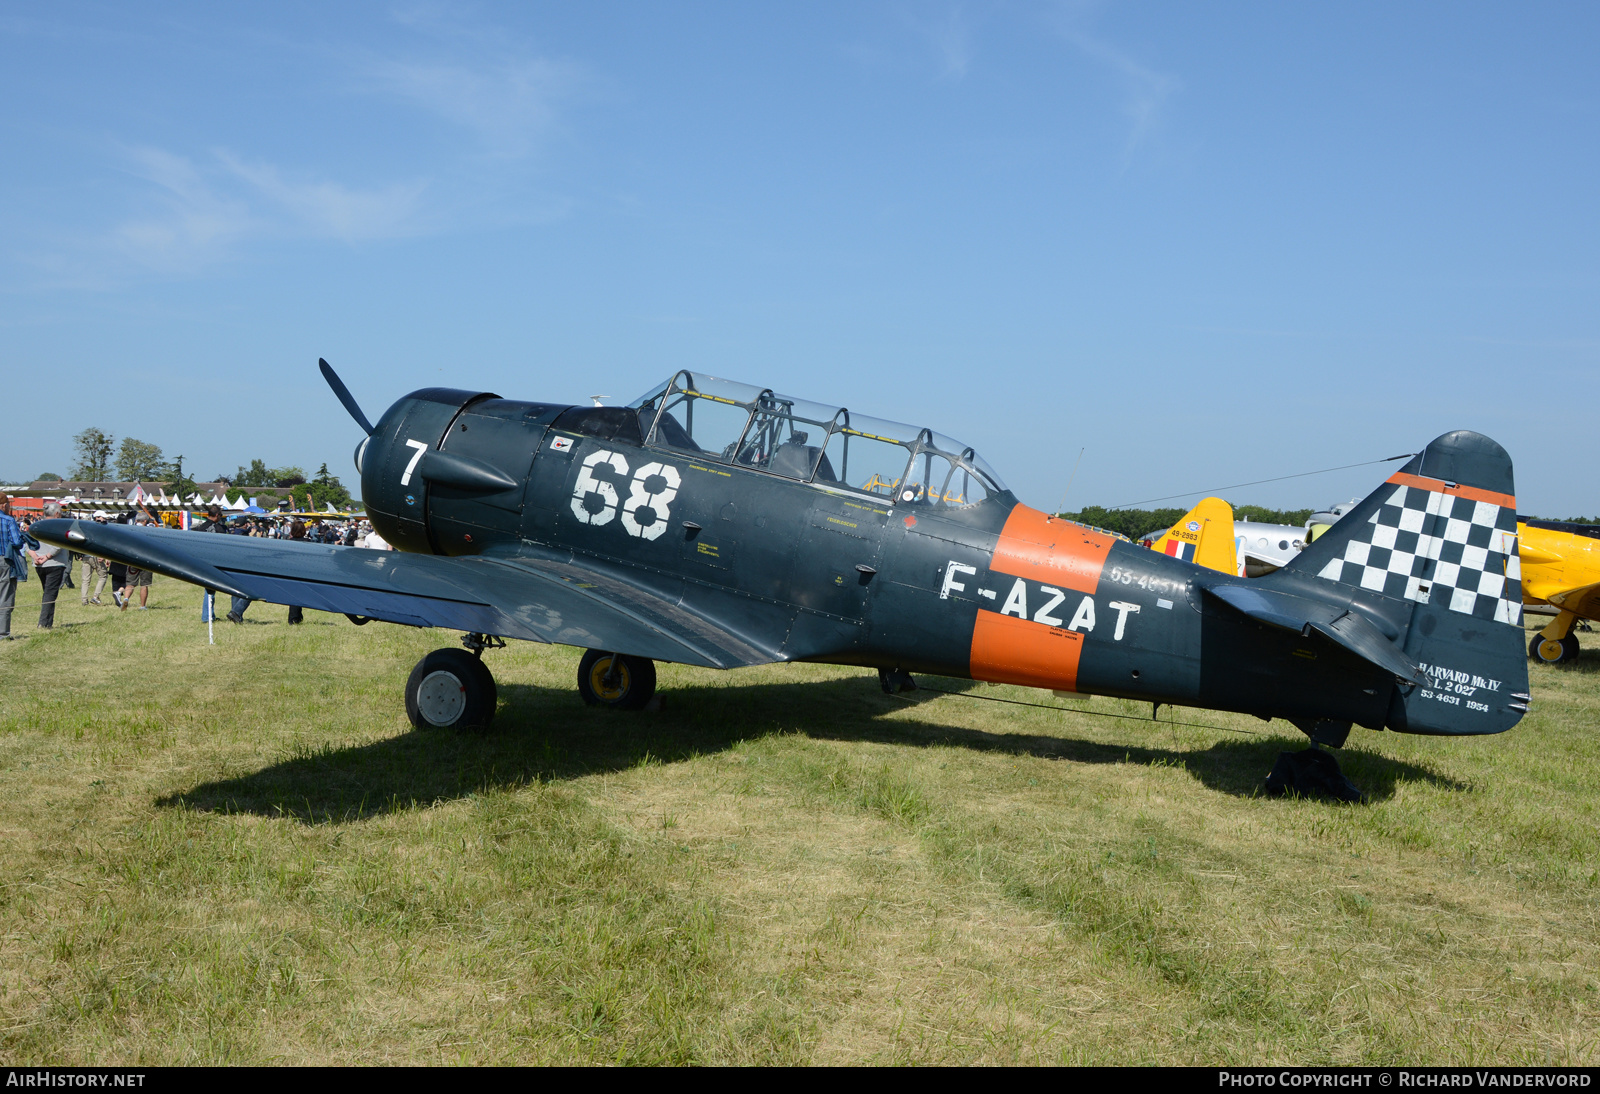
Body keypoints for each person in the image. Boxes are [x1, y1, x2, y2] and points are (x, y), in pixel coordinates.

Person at [27, 503, 68, 629]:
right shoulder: (59, 525)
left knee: (47, 593)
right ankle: (43, 623)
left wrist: (35, 557)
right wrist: (46, 557)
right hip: (54, 563)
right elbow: (59, 544)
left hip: (39, 564)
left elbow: (29, 544)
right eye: (60, 512)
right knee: (50, 594)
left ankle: (48, 622)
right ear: (56, 514)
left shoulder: (36, 525)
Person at [0, 494, 33, 640]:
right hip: (4, 561)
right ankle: (2, 634)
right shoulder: (8, 520)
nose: (9, 506)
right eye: (8, 504)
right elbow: (16, 542)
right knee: (5, 596)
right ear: (3, 505)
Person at [80, 511, 111, 605]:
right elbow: (102, 543)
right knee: (103, 575)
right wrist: (104, 556)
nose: (104, 520)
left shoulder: (87, 527)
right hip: (96, 555)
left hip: (86, 555)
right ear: (98, 517)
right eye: (103, 518)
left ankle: (84, 600)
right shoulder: (102, 529)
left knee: (85, 580)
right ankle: (95, 597)